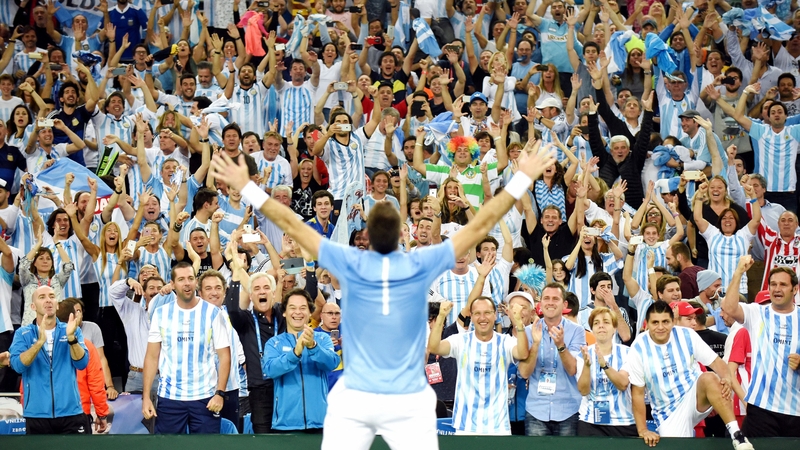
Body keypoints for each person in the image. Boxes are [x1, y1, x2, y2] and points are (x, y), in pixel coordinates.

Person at [209, 137, 556, 448]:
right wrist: (522, 176)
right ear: (399, 235)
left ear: (367, 238)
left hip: (356, 397)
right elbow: (482, 223)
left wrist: (248, 186)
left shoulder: (350, 262)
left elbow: (290, 223)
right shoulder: (421, 263)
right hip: (407, 399)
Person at [627, 300, 754, 449]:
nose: (660, 327)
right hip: (668, 412)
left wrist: (726, 379)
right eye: (655, 322)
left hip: (694, 395)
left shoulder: (687, 335)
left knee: (710, 377)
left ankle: (737, 435)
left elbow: (717, 363)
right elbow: (637, 394)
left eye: (665, 322)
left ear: (673, 321)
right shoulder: (638, 347)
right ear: (647, 323)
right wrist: (643, 430)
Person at [141, 262, 231, 434]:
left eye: (190, 278)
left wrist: (220, 393)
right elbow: (152, 357)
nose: (187, 283)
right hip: (170, 398)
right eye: (181, 279)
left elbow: (225, 356)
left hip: (206, 398)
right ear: (173, 284)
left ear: (196, 282)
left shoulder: (213, 313)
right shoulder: (161, 314)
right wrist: (146, 397)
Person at [722, 256, 800, 438]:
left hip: (795, 410)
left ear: (795, 289)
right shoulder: (757, 312)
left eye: (783, 285)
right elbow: (729, 306)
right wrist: (739, 272)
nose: (777, 289)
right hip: (761, 407)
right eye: (773, 284)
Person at [427, 298, 528, 435]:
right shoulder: (461, 340)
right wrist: (441, 317)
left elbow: (522, 354)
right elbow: (434, 347)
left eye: (487, 312)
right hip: (465, 426)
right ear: (472, 316)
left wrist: (518, 323)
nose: (482, 318)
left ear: (495, 315)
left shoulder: (505, 341)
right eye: (477, 313)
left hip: (498, 427)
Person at [8, 286, 89, 434]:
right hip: (36, 415)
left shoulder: (72, 329)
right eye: (42, 297)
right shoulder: (22, 334)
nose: (48, 300)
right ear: (33, 306)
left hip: (71, 413)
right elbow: (18, 366)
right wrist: (39, 343)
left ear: (57, 304)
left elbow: (82, 363)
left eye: (52, 296)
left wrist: (71, 339)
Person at [262, 288, 339, 432]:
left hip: (320, 423)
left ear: (310, 312)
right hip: (285, 425)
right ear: (284, 312)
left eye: (303, 308)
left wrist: (313, 346)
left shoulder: (323, 339)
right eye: (292, 308)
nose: (298, 312)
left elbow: (332, 362)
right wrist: (295, 353)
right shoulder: (274, 343)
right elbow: (270, 370)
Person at [517, 283, 586, 436]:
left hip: (568, 409)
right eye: (546, 298)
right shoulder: (528, 331)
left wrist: (561, 346)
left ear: (564, 304)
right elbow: (524, 373)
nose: (550, 302)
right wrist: (535, 344)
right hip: (537, 409)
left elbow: (573, 369)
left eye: (555, 299)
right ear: (540, 303)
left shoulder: (577, 331)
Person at [576, 307, 636, 437]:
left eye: (606, 322)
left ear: (615, 328)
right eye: (596, 323)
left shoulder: (628, 353)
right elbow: (583, 390)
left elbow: (623, 384)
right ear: (592, 329)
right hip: (590, 422)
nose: (601, 326)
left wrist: (604, 365)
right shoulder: (583, 354)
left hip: (623, 422)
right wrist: (587, 366)